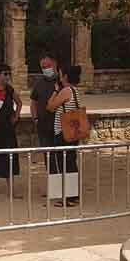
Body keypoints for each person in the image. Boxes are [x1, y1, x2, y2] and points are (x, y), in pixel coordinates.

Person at [46, 64, 83, 206]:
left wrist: (55, 91)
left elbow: (50, 107)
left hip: (63, 132)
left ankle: (69, 197)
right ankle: (73, 196)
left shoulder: (65, 91)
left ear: (65, 76)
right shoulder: (75, 90)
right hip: (73, 131)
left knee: (64, 164)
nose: (59, 77)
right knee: (71, 163)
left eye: (61, 74)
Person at [29, 55, 58, 153]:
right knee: (47, 154)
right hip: (43, 125)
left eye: (48, 66)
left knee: (61, 155)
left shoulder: (61, 82)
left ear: (54, 65)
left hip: (59, 124)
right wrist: (36, 119)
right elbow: (33, 103)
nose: (46, 69)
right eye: (43, 67)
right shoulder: (38, 83)